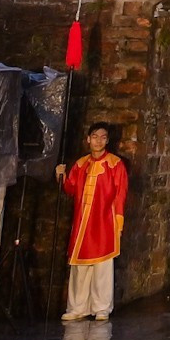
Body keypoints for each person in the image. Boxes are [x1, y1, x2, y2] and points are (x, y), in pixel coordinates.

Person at [56, 122, 128, 322]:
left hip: (104, 221)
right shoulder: (81, 164)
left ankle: (101, 307)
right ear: (88, 139)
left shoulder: (115, 164)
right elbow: (70, 188)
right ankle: (77, 307)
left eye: (103, 137)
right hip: (82, 222)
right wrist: (61, 176)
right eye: (95, 137)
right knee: (79, 267)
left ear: (107, 140)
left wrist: (118, 221)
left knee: (102, 266)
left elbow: (120, 195)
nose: (98, 141)